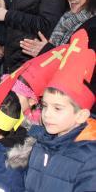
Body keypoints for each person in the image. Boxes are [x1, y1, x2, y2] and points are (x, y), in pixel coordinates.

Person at [24, 30, 96, 191]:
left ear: (81, 115)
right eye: (44, 106)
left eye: (58, 108)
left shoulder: (90, 160)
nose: (47, 114)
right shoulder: (40, 143)